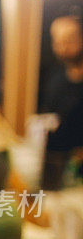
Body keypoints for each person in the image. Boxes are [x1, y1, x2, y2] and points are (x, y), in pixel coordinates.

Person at [41, 14, 83, 190]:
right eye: (57, 41)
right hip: (59, 169)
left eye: (69, 40)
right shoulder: (56, 79)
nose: (63, 47)